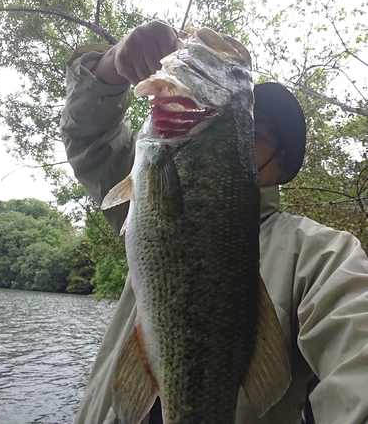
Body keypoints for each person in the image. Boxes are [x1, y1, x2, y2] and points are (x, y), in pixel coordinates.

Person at [61, 21, 368, 424]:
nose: (233, 126)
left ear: (280, 165)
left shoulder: (323, 253)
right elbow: (88, 139)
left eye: (250, 131)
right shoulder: (152, 188)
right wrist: (112, 67)